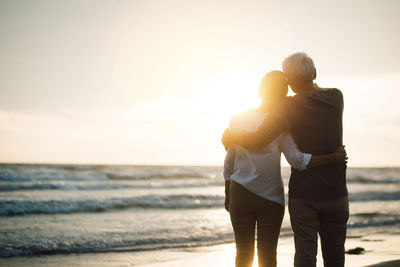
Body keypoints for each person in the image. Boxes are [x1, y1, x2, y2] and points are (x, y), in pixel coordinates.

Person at [223, 70, 347, 267]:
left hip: (240, 194)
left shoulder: (237, 120)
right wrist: (333, 157)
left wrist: (228, 191)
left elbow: (229, 161)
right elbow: (297, 160)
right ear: (283, 95)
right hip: (271, 198)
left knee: (243, 252)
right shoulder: (281, 124)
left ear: (260, 90)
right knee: (268, 254)